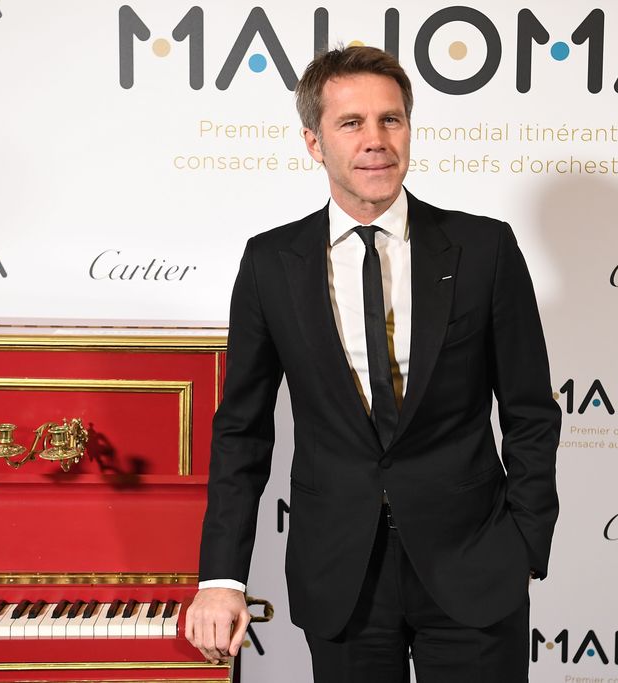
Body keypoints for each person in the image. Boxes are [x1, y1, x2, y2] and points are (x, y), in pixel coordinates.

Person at [186, 45, 560, 682]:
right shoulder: (271, 263)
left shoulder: (484, 247)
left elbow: (529, 410)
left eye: (391, 120)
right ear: (314, 141)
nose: (376, 141)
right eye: (351, 123)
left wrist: (524, 539)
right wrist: (222, 577)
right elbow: (241, 429)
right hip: (341, 574)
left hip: (473, 564)